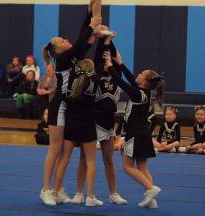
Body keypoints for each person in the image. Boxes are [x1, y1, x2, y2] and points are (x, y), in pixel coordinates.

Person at [39, 13, 100, 206]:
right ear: (59, 49)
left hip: (70, 108)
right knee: (55, 149)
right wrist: (91, 24)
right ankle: (46, 189)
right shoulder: (64, 58)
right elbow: (82, 40)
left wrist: (90, 12)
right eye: (63, 40)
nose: (67, 40)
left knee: (66, 151)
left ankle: (59, 188)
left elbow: (84, 42)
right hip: (59, 106)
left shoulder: (72, 58)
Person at [104, 47, 165, 208]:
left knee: (127, 166)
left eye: (141, 74)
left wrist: (110, 66)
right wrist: (120, 63)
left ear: (144, 82)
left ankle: (151, 189)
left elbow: (121, 82)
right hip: (144, 133)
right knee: (142, 166)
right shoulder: (143, 91)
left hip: (135, 134)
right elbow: (131, 78)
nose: (137, 75)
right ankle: (151, 200)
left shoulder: (138, 94)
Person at [71, 37, 127, 205]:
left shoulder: (117, 76)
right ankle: (80, 193)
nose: (105, 62)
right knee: (84, 159)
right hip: (92, 122)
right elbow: (97, 56)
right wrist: (103, 39)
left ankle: (113, 193)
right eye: (103, 60)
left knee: (109, 160)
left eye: (107, 60)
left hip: (108, 124)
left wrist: (109, 40)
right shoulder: (95, 76)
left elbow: (116, 56)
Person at [52, 58, 103, 207]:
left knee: (64, 160)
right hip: (87, 125)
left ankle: (55, 192)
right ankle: (90, 197)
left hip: (71, 124)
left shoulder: (72, 80)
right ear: (91, 70)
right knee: (90, 161)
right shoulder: (95, 81)